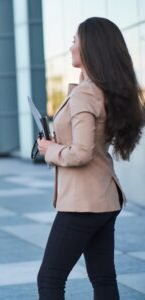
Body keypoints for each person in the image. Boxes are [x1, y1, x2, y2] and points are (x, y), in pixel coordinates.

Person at [37, 17, 144, 300]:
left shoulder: (85, 95)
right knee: (103, 278)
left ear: (90, 48)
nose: (70, 46)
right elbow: (89, 144)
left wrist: (50, 150)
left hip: (82, 202)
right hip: (105, 198)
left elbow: (82, 152)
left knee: (50, 278)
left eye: (74, 40)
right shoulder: (100, 90)